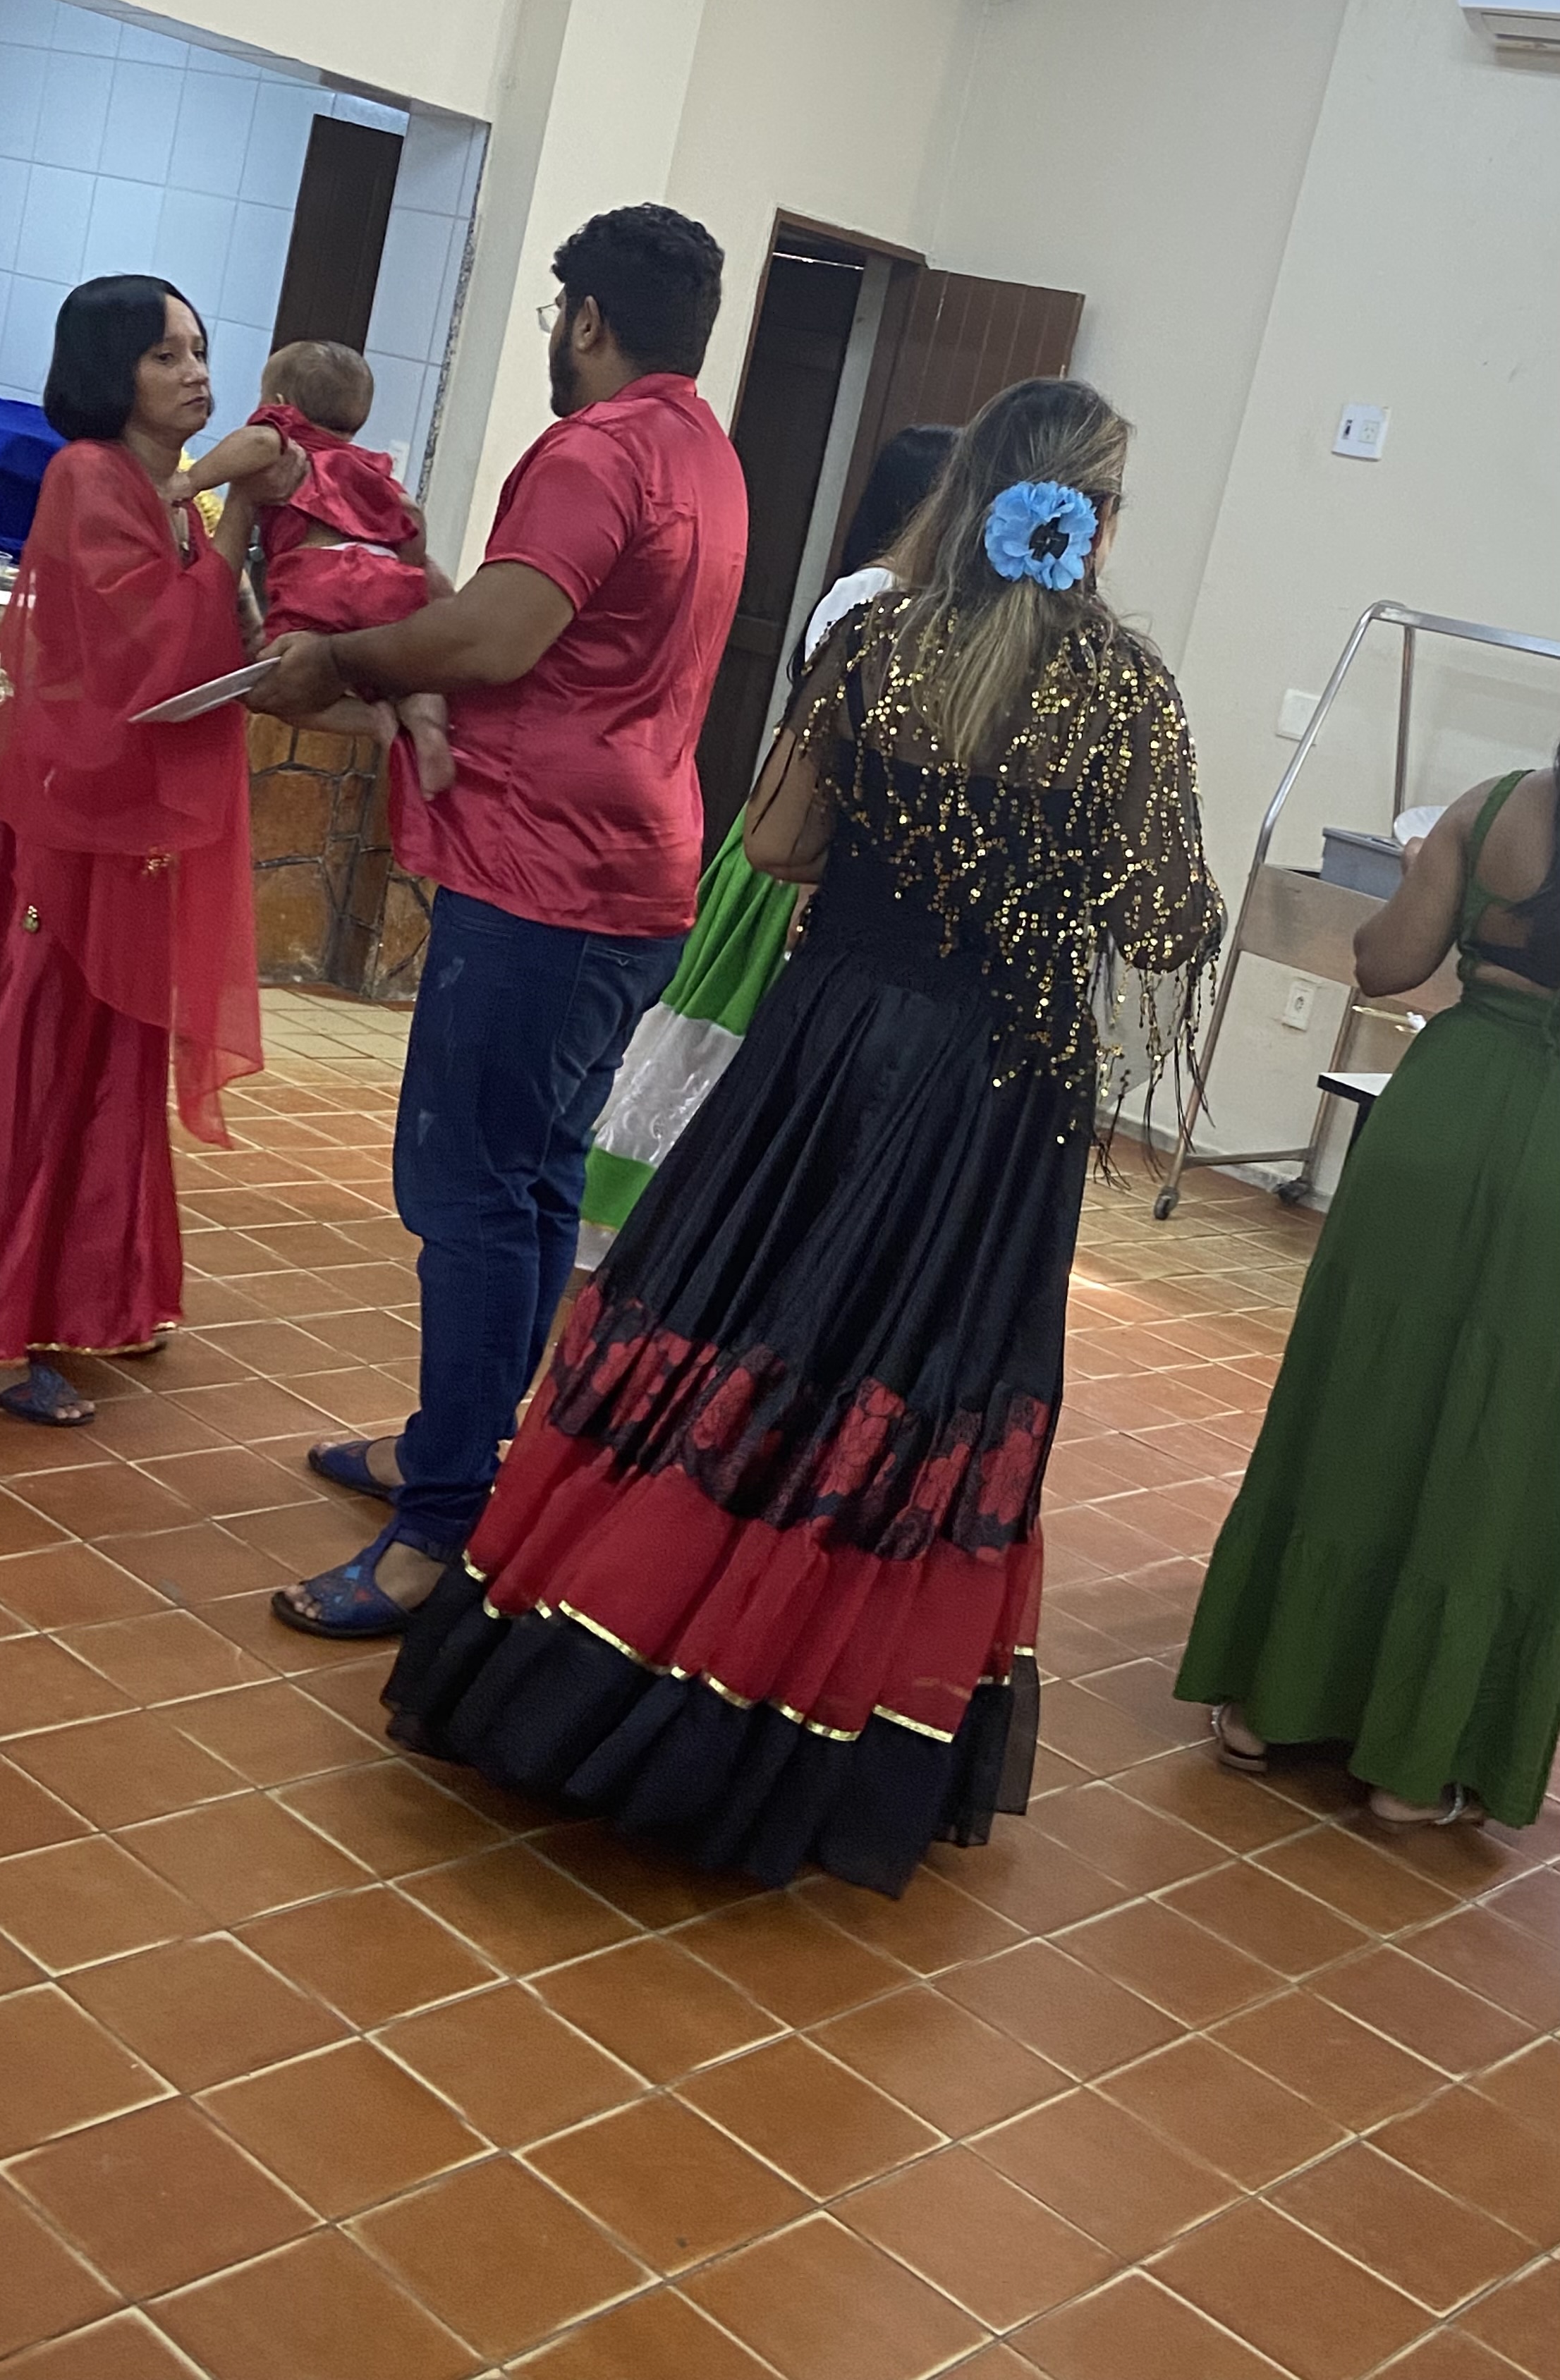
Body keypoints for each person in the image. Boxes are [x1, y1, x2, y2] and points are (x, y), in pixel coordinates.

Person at [382, 378, 1222, 1896]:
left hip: (828, 1040)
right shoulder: (1123, 693)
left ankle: (583, 1651)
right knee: (900, 1368)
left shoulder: (880, 644)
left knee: (735, 1316)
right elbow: (1167, 925)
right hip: (989, 1089)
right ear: (1098, 519)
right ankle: (792, 1713)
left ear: (967, 491)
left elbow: (774, 840)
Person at [246, 204, 747, 1635]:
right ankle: (461, 1451)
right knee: (533, 1183)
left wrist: (341, 656)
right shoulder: (707, 454)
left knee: (466, 1192)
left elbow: (499, 634)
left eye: (553, 315)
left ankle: (442, 1524)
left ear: (588, 317)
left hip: (544, 881)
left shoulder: (597, 451)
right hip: (633, 870)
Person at [1178, 757, 1560, 1832]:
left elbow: (1385, 966)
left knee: (1364, 1392)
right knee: (1511, 1436)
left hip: (1442, 1117)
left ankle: (1267, 1710)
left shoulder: (1495, 807)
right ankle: (1413, 1763)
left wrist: (1419, 875)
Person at [0, 275, 291, 1427]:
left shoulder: (168, 490)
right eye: (165, 355)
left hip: (120, 829)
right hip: (62, 830)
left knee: (104, 1059)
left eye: (198, 348)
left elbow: (202, 639)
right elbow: (150, 647)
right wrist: (236, 512)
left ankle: (84, 1287)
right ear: (112, 371)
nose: (196, 372)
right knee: (35, 1058)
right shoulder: (89, 476)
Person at [577, 423, 957, 1266]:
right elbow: (826, 757)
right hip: (796, 868)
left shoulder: (938, 612)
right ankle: (645, 1220)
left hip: (841, 871)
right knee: (718, 1042)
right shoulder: (870, 596)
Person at [186, 341, 456, 794]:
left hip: (321, 579)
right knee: (412, 682)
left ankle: (372, 722)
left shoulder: (286, 439)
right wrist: (410, 579)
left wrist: (188, 481)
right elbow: (411, 519)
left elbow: (258, 442)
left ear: (278, 403)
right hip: (389, 577)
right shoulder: (372, 470)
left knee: (272, 689)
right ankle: (427, 730)